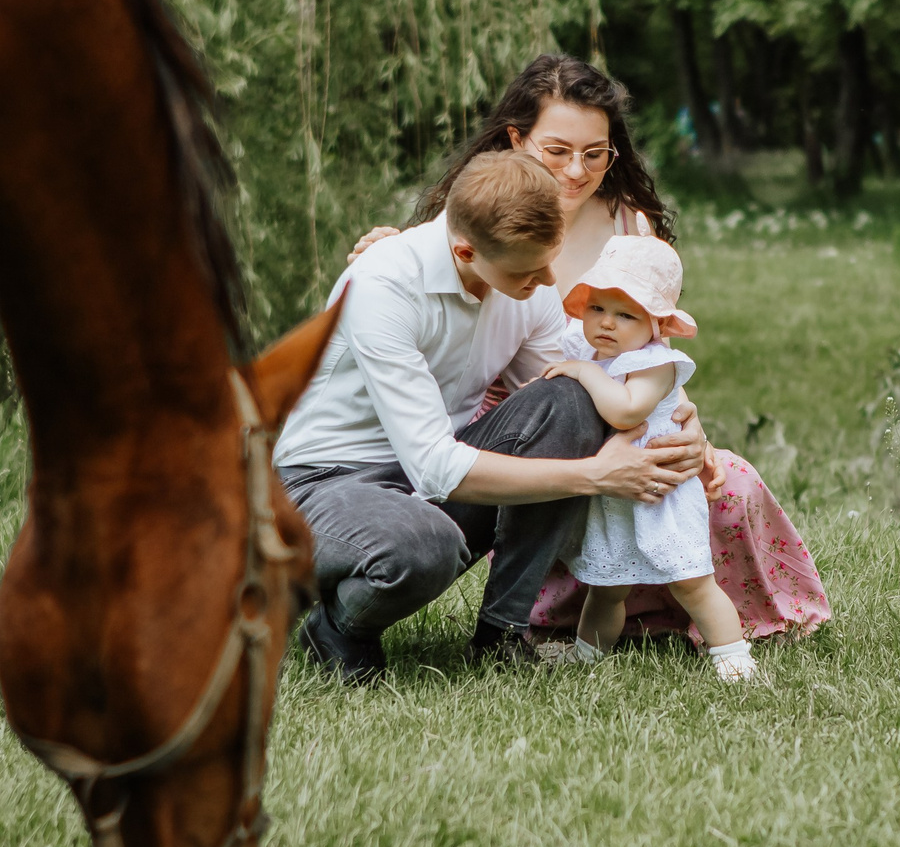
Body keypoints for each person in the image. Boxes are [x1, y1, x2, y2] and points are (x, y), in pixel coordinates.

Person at [347, 53, 830, 652]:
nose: (576, 170)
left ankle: (695, 610)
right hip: (518, 424)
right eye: (556, 151)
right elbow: (432, 293)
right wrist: (387, 247)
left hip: (623, 404)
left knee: (723, 482)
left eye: (595, 153)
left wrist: (682, 421)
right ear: (516, 139)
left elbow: (646, 351)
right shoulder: (481, 214)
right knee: (580, 479)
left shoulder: (631, 227)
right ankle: (549, 613)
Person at [276, 148, 708, 683]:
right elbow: (434, 465)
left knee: (571, 399)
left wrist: (680, 420)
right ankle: (340, 626)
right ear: (464, 250)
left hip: (433, 474)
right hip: (321, 484)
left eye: (552, 259)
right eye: (529, 269)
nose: (549, 281)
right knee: (424, 543)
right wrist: (594, 476)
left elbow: (576, 403)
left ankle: (501, 634)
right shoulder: (383, 284)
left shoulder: (526, 280)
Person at [540, 235, 758, 682]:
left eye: (626, 315)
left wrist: (583, 374)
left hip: (661, 493)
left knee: (691, 581)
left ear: (656, 324)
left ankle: (733, 655)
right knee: (606, 586)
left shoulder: (655, 363)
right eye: (597, 308)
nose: (606, 324)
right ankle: (586, 652)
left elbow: (626, 411)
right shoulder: (586, 348)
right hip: (614, 493)